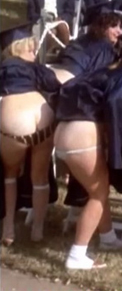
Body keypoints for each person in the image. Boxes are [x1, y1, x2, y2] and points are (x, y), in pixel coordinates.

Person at [53, 22, 122, 269]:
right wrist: (119, 144)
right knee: (98, 194)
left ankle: (107, 237)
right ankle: (77, 254)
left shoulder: (109, 71)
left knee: (100, 186)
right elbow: (118, 110)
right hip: (83, 137)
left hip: (65, 132)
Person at [0, 24, 62, 245]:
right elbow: (55, 85)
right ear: (19, 48)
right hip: (43, 118)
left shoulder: (3, 68)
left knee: (10, 174)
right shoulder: (37, 68)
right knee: (40, 177)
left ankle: (8, 228)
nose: (34, 51)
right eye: (31, 47)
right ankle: (37, 229)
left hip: (15, 123)